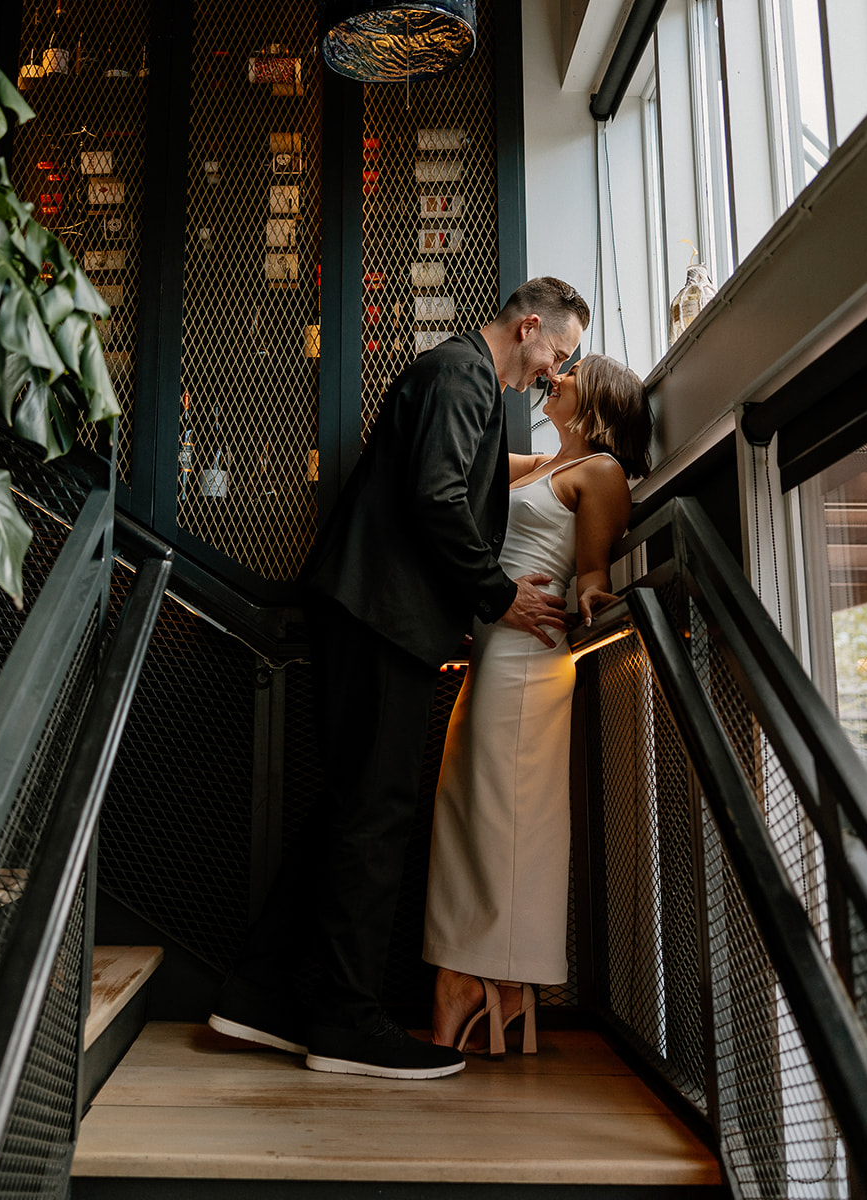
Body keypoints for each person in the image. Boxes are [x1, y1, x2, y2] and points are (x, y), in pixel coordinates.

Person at [207, 277, 590, 1080]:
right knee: (376, 815)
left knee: (349, 807)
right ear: (527, 327)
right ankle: (346, 1021)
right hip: (379, 615)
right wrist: (496, 595)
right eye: (555, 355)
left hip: (368, 612)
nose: (551, 376)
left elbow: (461, 484)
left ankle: (258, 996)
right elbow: (437, 496)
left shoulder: (453, 373)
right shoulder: (462, 374)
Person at [423, 353, 652, 1055]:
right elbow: (471, 465)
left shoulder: (600, 473)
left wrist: (589, 593)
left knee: (504, 816)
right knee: (466, 811)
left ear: (601, 400)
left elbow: (589, 570)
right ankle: (495, 982)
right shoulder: (542, 466)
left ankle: (481, 977)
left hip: (530, 659)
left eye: (571, 372)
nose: (557, 377)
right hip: (493, 650)